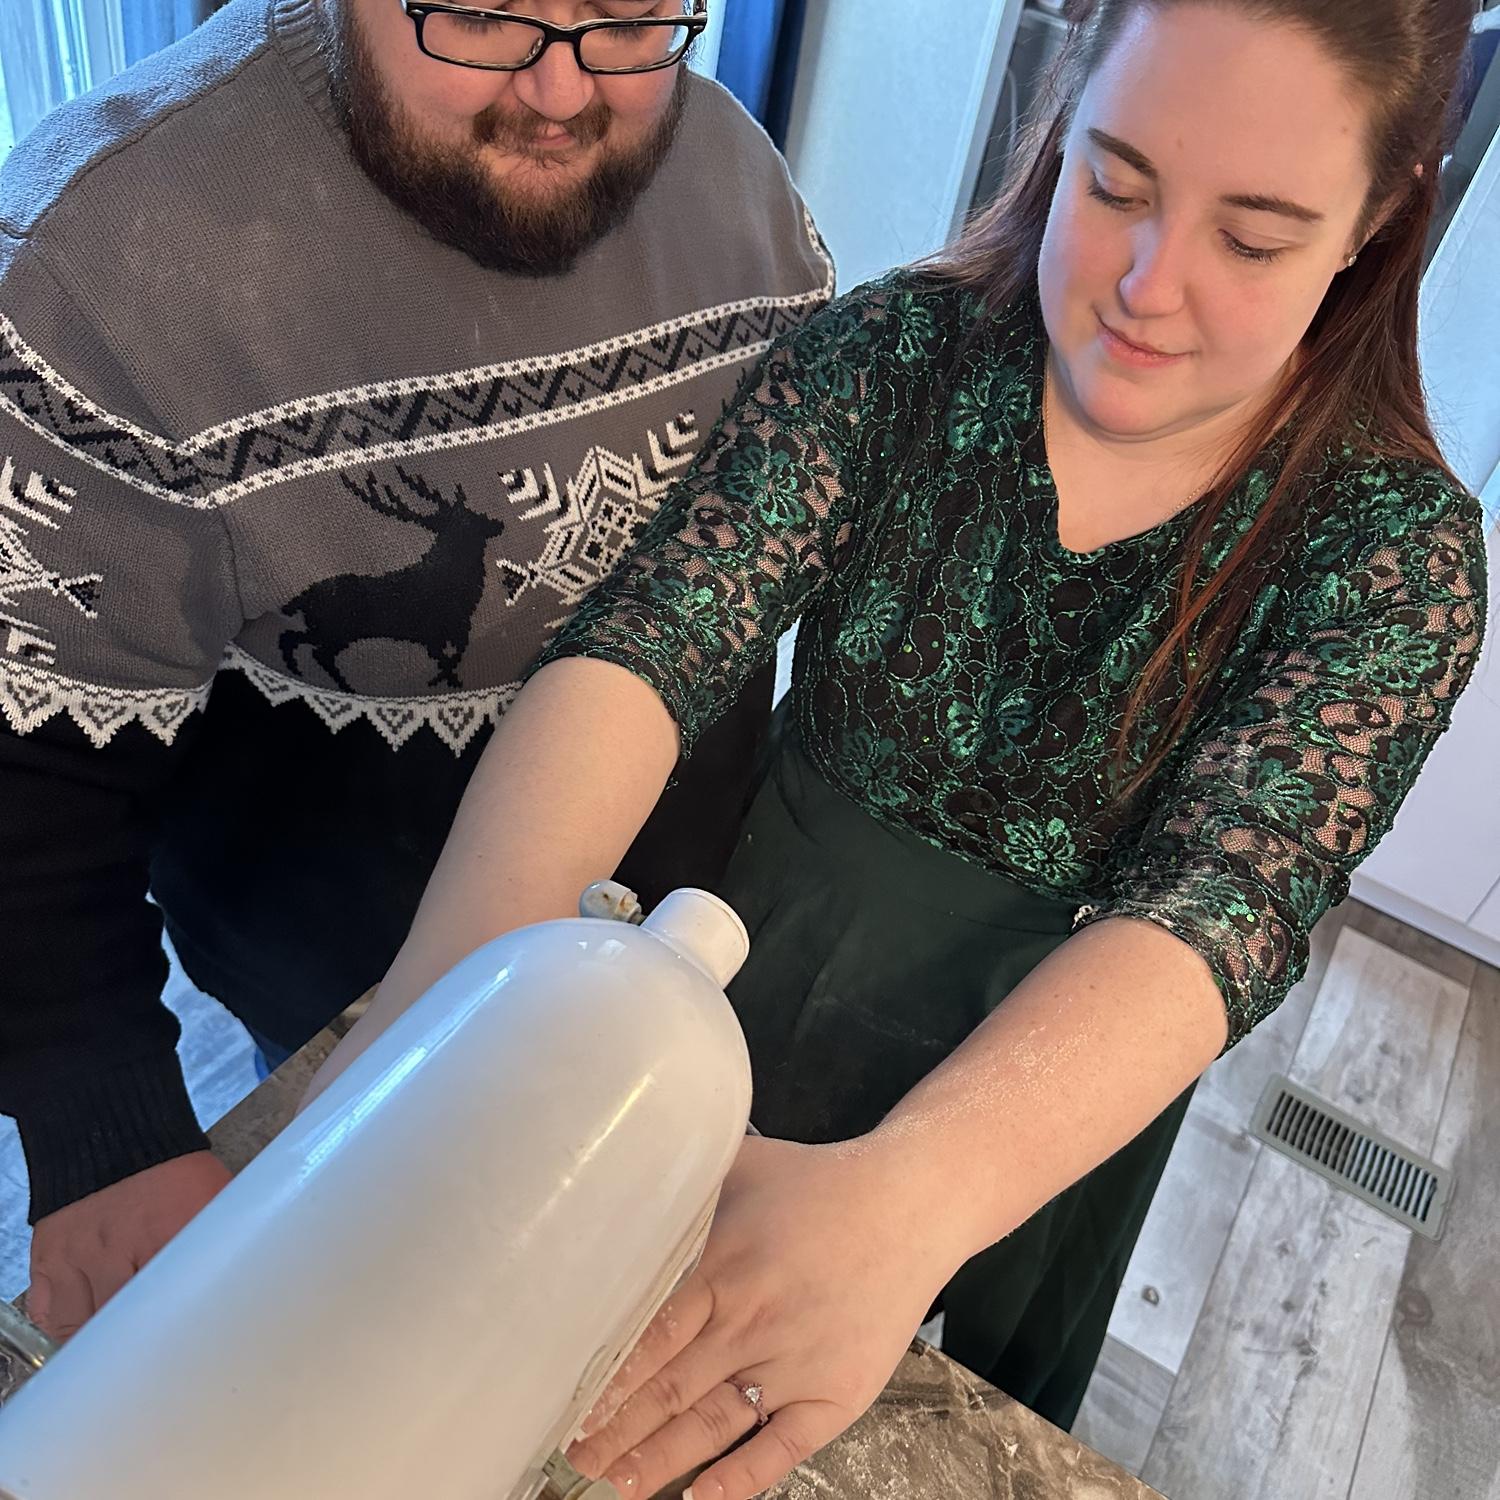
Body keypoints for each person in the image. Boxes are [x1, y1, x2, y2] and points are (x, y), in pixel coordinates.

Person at [313, 0, 1490, 1493]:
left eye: (1253, 240)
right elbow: (654, 641)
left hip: (1062, 1064)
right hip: (766, 948)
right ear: (1062, 121)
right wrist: (440, 1002)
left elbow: (1226, 899)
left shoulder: (1394, 554)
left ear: (1378, 224)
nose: (1147, 285)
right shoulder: (900, 352)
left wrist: (916, 1197)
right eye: (1115, 183)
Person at [0, 0, 832, 1340]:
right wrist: (103, 1119)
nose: (561, 93)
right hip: (344, 993)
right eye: (484, 12)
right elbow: (22, 753)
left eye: (627, 19)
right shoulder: (94, 263)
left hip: (673, 944)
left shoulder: (747, 196)